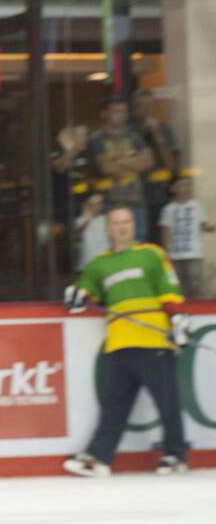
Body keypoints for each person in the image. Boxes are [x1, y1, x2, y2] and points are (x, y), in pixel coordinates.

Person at [63, 205, 189, 478]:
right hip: (120, 342)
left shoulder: (151, 254)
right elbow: (87, 291)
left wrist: (178, 319)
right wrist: (76, 294)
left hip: (152, 338)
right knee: (114, 404)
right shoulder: (99, 264)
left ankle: (176, 454)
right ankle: (100, 457)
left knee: (167, 401)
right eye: (117, 223)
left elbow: (169, 289)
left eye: (128, 222)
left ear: (134, 225)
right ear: (109, 229)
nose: (123, 227)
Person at [89, 97, 154, 242]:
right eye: (117, 111)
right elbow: (106, 167)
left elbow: (148, 162)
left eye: (124, 111)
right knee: (115, 245)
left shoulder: (135, 136)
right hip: (111, 202)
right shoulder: (98, 138)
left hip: (137, 200)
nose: (122, 115)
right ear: (105, 114)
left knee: (139, 247)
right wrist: (134, 163)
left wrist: (118, 161)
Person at [131, 88, 180, 243]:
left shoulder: (165, 130)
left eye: (149, 105)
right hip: (134, 196)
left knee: (159, 243)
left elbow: (171, 165)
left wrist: (157, 133)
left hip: (159, 197)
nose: (145, 110)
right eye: (140, 106)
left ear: (155, 108)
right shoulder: (129, 133)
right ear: (134, 110)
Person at [159, 176, 215, 298]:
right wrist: (165, 253)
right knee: (177, 285)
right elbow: (165, 232)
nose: (185, 188)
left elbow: (204, 225)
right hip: (175, 254)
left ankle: (196, 310)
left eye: (187, 185)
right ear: (174, 188)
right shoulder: (168, 209)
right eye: (182, 185)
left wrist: (212, 227)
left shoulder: (198, 206)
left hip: (194, 253)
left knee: (195, 285)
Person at [74, 193, 109, 270]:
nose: (96, 206)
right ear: (87, 205)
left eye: (99, 203)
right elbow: (76, 236)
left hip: (105, 262)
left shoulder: (106, 219)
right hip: (87, 264)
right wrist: (87, 219)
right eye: (93, 204)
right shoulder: (81, 220)